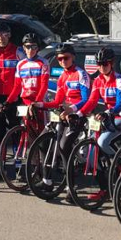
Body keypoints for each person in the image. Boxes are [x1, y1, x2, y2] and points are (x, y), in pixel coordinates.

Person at [34, 43, 90, 186]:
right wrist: (41, 105)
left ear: (73, 57)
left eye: (66, 58)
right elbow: (58, 101)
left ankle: (70, 187)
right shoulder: (62, 77)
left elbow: (86, 99)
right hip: (63, 114)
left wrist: (72, 108)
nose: (63, 61)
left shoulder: (81, 74)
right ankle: (47, 180)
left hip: (77, 115)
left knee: (64, 146)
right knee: (42, 140)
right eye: (59, 59)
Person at [76, 46, 121, 201]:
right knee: (87, 151)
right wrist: (79, 113)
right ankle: (104, 189)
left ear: (112, 63)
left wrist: (108, 112)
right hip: (106, 118)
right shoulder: (98, 80)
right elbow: (92, 101)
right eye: (99, 64)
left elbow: (120, 103)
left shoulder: (119, 80)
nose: (101, 67)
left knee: (102, 141)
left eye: (104, 64)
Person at [0, 22, 25, 154]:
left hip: (14, 96)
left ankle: (17, 163)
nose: (1, 38)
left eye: (4, 35)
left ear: (9, 35)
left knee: (15, 129)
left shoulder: (18, 51)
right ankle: (1, 162)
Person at [4, 33, 50, 133]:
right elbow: (17, 87)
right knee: (27, 130)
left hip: (39, 100)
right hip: (26, 101)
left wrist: (36, 102)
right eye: (28, 47)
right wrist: (7, 101)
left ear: (38, 48)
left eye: (34, 47)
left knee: (42, 132)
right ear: (24, 48)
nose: (30, 50)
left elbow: (44, 85)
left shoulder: (44, 62)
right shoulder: (20, 64)